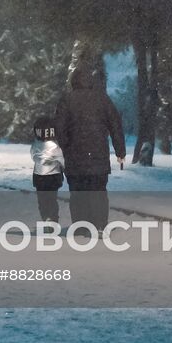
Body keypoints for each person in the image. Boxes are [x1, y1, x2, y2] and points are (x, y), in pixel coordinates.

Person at [54, 42, 125, 234]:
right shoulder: (102, 98)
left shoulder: (67, 99)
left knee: (77, 193)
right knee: (99, 191)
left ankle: (81, 226)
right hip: (98, 156)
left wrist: (66, 146)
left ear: (74, 80)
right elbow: (115, 124)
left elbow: (59, 128)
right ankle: (100, 224)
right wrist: (120, 151)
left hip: (75, 158)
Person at [30, 113, 64, 226]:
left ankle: (46, 218)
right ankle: (53, 220)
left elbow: (33, 156)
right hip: (53, 176)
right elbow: (62, 159)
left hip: (39, 176)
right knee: (52, 199)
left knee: (42, 200)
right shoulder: (55, 146)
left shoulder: (35, 145)